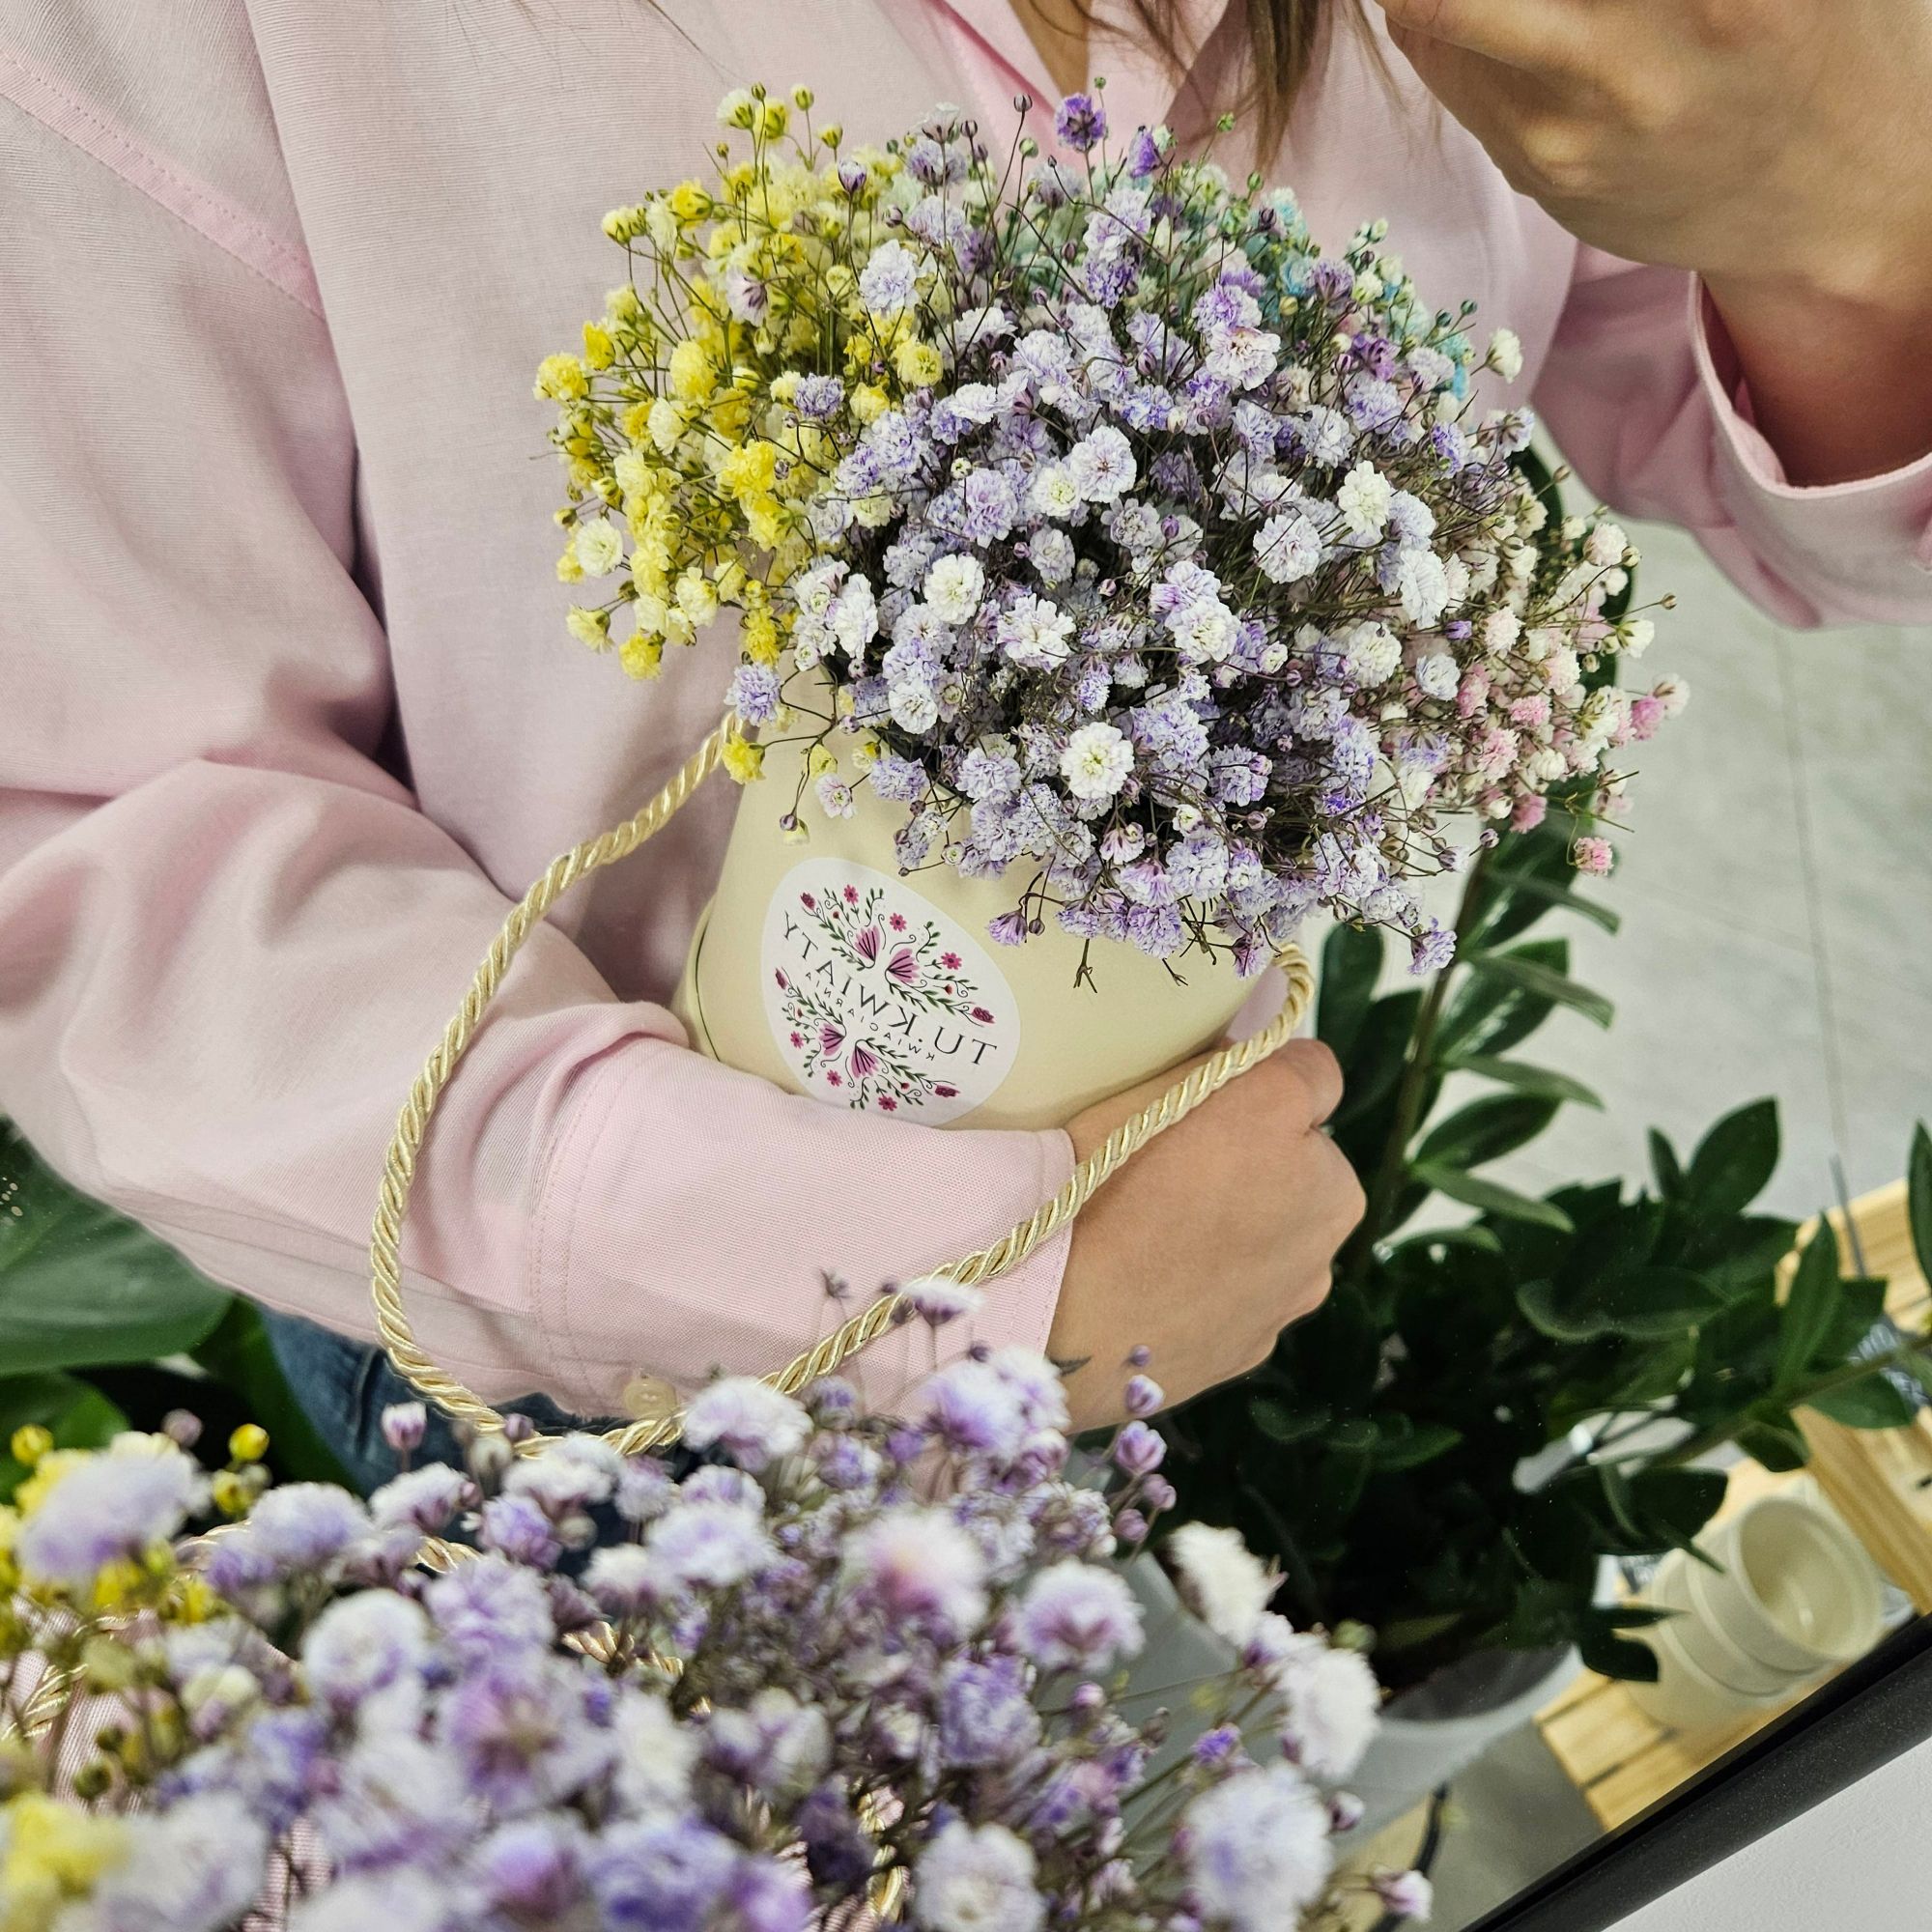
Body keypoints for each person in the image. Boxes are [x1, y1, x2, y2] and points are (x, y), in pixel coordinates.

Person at [1, 1, 1927, 1481]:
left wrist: (1847, 202)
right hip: (577, 1343)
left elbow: (1654, 336)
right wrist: (960, 1284)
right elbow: (122, 846)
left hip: (1225, 1193)